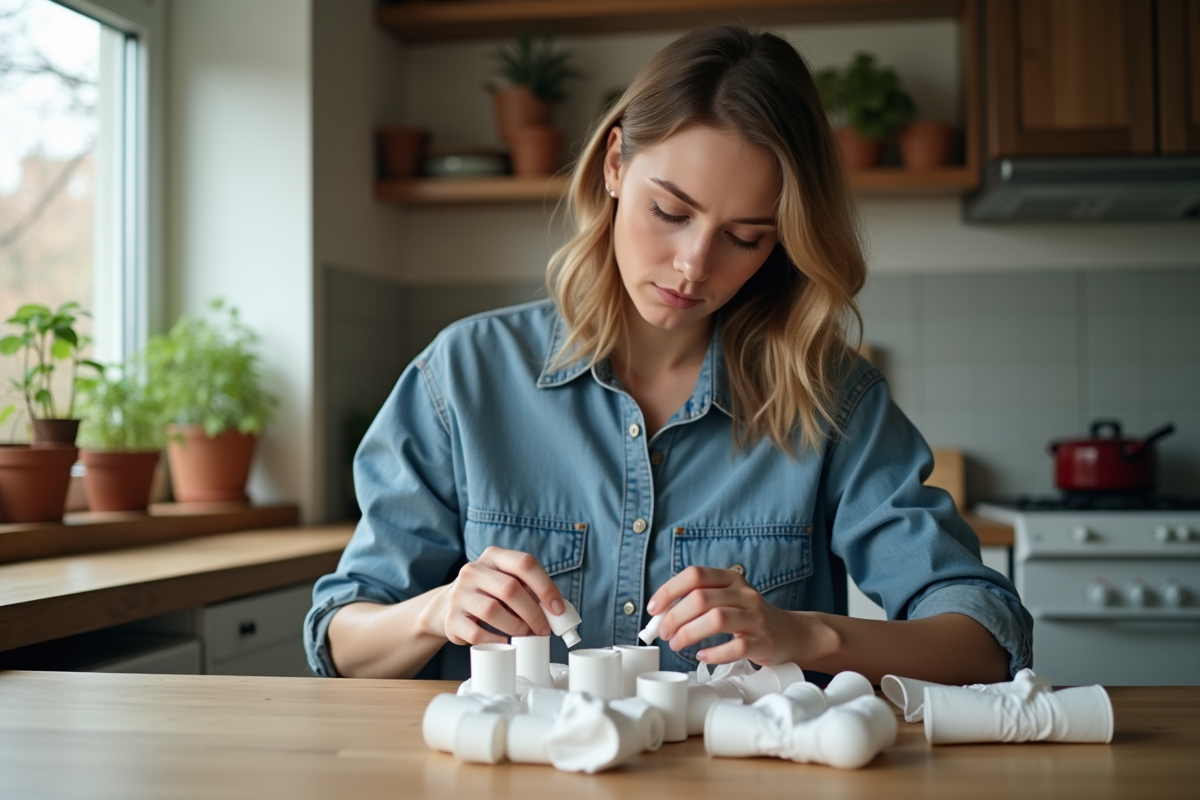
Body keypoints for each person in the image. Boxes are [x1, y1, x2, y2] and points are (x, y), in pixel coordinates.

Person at [304, 24, 1032, 685]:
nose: (692, 265)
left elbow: (987, 639)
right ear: (616, 162)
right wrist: (436, 612)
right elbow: (341, 640)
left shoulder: (831, 399)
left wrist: (805, 634)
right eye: (670, 212)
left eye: (745, 236)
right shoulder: (460, 378)